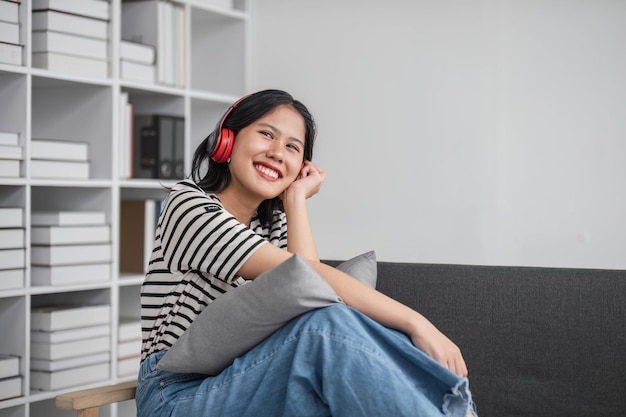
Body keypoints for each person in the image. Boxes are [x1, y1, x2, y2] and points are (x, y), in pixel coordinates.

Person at [136, 89, 478, 417]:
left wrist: (295, 199)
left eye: (292, 147)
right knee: (323, 330)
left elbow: (312, 298)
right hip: (174, 394)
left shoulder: (270, 228)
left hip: (251, 376)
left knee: (327, 339)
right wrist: (418, 323)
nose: (277, 152)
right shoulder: (188, 205)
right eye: (266, 134)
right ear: (227, 140)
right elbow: (311, 284)